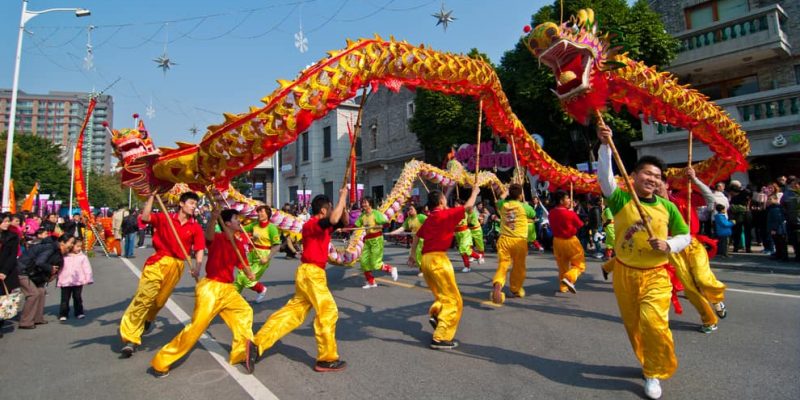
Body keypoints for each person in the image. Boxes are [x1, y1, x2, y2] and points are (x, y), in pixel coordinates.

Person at [597, 123, 691, 400]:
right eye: (647, 174)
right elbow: (605, 178)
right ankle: (646, 361)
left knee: (654, 323)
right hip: (625, 274)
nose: (653, 179)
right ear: (634, 176)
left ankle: (653, 371)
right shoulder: (620, 199)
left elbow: (685, 235)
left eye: (657, 176)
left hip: (656, 274)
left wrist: (669, 244)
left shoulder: (667, 207)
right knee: (634, 326)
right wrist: (605, 145)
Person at [151, 208, 257, 378]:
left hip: (228, 289)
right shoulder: (218, 238)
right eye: (236, 218)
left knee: (245, 312)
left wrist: (249, 272)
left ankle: (240, 352)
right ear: (227, 223)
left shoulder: (238, 243)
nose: (240, 221)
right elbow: (208, 237)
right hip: (211, 288)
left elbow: (242, 264)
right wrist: (213, 219)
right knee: (197, 327)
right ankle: (161, 361)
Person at [253, 189, 349, 372]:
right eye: (329, 208)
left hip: (309, 273)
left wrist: (342, 202)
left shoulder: (324, 225)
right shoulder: (311, 225)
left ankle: (257, 344)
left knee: (292, 313)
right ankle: (326, 359)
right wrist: (343, 197)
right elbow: (334, 220)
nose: (330, 212)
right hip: (312, 273)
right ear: (323, 211)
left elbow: (343, 221)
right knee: (328, 311)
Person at [119, 192, 206, 357]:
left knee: (159, 301)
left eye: (195, 204)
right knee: (145, 297)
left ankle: (148, 319)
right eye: (191, 203)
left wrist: (198, 266)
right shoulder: (165, 217)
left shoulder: (194, 227)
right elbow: (145, 218)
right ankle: (131, 337)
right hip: (158, 262)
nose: (194, 206)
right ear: (181, 203)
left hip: (177, 266)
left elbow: (199, 248)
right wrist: (151, 197)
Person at [410, 184, 479, 349]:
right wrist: (475, 191)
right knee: (454, 300)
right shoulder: (445, 214)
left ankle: (437, 315)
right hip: (438, 260)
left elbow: (416, 237)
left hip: (426, 261)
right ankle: (440, 337)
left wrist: (412, 255)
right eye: (444, 199)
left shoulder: (429, 219)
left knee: (441, 296)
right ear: (441, 201)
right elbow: (468, 206)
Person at [664, 169, 728, 333]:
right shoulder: (652, 204)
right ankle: (709, 320)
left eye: (660, 181)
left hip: (692, 243)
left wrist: (695, 179)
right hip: (673, 249)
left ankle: (716, 300)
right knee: (690, 289)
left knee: (702, 278)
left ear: (666, 184)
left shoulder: (684, 196)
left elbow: (711, 200)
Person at [17, 234, 75, 329]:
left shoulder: (55, 250)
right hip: (22, 271)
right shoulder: (50, 248)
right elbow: (39, 262)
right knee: (33, 294)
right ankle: (25, 322)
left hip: (31, 273)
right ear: (62, 243)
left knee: (41, 291)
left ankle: (37, 318)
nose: (72, 245)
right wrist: (50, 268)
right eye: (71, 242)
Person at [236, 205, 280, 302]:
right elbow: (241, 229)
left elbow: (277, 246)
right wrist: (237, 223)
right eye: (258, 212)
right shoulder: (254, 224)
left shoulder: (272, 228)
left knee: (248, 277)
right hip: (252, 252)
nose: (259, 214)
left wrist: (267, 258)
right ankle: (233, 296)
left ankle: (261, 289)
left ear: (267, 214)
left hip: (263, 256)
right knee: (241, 274)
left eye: (262, 212)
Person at [548, 191, 586, 294]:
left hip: (557, 242)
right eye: (567, 198)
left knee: (562, 265)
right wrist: (572, 213)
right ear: (561, 201)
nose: (570, 200)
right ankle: (569, 278)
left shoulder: (551, 213)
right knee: (579, 264)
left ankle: (563, 287)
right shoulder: (570, 213)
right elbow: (580, 225)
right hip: (570, 241)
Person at [355, 196, 397, 288]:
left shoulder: (376, 213)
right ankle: (371, 282)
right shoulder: (363, 215)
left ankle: (391, 269)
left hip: (377, 239)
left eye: (365, 202)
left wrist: (382, 225)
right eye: (362, 202)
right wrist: (343, 229)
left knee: (375, 263)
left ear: (370, 204)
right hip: (367, 240)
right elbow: (355, 225)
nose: (363, 204)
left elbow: (386, 223)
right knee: (363, 262)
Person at [57, 239, 93, 321]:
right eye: (77, 246)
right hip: (65, 280)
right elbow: (59, 267)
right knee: (65, 298)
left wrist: (89, 278)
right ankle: (63, 313)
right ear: (71, 246)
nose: (79, 248)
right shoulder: (64, 256)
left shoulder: (82, 257)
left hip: (78, 281)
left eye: (80, 246)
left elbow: (87, 268)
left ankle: (79, 312)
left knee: (77, 297)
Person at [387, 205, 427, 276]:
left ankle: (423, 270)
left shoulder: (421, 217)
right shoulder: (408, 219)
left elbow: (430, 222)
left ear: (416, 210)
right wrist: (393, 233)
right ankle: (422, 268)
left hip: (423, 239)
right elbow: (402, 228)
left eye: (411, 209)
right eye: (409, 209)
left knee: (418, 254)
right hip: (415, 239)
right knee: (414, 254)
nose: (409, 211)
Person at [0, 213, 21, 337]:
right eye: (5, 221)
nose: (7, 224)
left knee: (2, 300)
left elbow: (12, 256)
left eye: (8, 221)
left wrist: (4, 271)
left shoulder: (12, 237)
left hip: (5, 272)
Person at [766, 194, 788, 261]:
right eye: (768, 199)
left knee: (781, 243)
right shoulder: (772, 208)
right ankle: (779, 255)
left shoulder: (776, 208)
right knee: (777, 243)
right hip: (777, 229)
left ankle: (783, 257)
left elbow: (777, 219)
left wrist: (774, 229)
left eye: (770, 199)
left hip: (779, 229)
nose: (768, 201)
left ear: (775, 199)